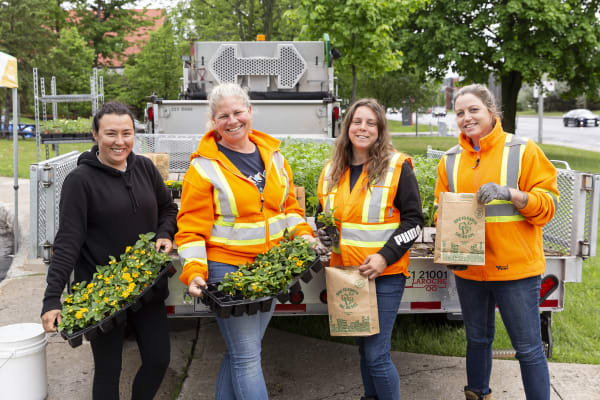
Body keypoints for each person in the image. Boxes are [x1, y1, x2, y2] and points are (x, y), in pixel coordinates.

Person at [175, 82, 319, 399]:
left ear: (250, 112)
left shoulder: (274, 157)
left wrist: (305, 237)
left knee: (244, 352)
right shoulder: (203, 167)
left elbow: (289, 209)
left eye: (238, 112)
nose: (232, 120)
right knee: (248, 358)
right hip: (228, 270)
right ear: (214, 121)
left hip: (269, 270)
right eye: (223, 115)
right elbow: (190, 227)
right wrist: (195, 270)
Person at [41, 101, 178, 399]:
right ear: (95, 135)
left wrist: (165, 233)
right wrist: (52, 298)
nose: (120, 141)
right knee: (108, 369)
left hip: (146, 286)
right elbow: (68, 241)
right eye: (111, 133)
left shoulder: (144, 167)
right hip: (102, 293)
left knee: (158, 360)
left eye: (126, 133)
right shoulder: (80, 181)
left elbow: (168, 209)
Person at [435, 84, 558, 400]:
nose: (466, 118)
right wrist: (450, 246)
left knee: (528, 347)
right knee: (476, 339)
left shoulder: (522, 151)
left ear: (492, 112)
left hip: (515, 271)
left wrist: (511, 194)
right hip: (470, 271)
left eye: (473, 110)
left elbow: (547, 207)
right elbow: (443, 212)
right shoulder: (449, 160)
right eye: (460, 112)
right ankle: (477, 394)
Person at [316, 98, 424, 400]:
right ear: (347, 126)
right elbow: (322, 215)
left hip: (384, 274)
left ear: (379, 130)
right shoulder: (330, 170)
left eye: (370, 123)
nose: (362, 128)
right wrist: (324, 234)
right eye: (357, 121)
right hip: (346, 274)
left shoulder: (396, 167)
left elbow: (414, 222)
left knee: (377, 353)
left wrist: (383, 257)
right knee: (364, 350)